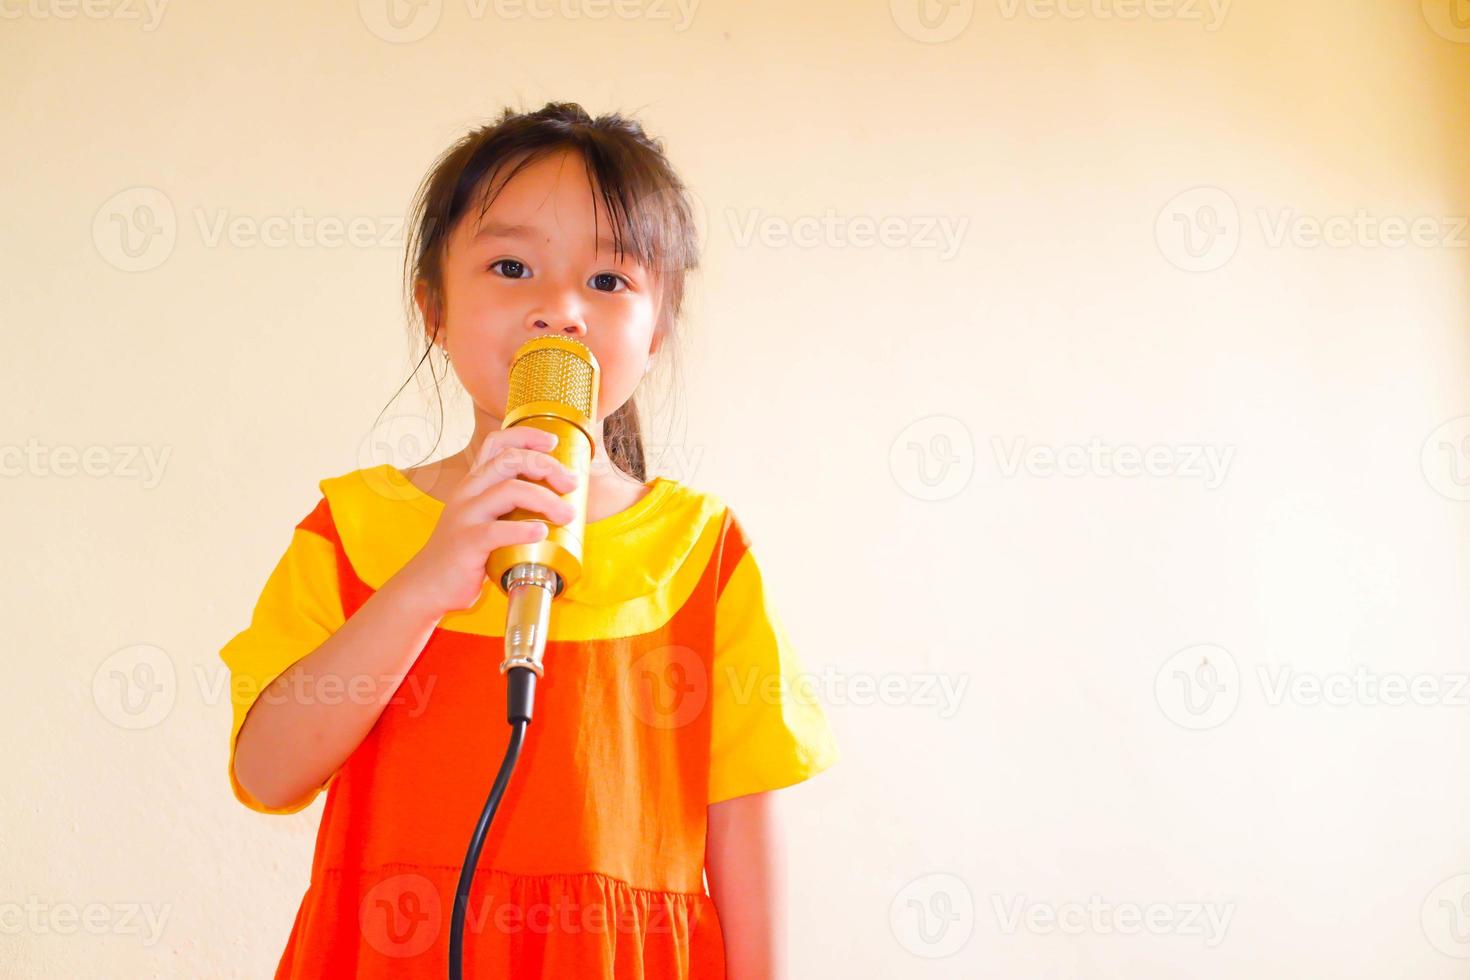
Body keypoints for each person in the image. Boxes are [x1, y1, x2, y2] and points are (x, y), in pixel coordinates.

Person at [218, 102, 839, 979]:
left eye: (609, 282)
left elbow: (744, 822)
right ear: (433, 304)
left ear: (658, 330)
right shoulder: (354, 529)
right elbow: (268, 772)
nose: (560, 311)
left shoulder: (698, 551)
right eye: (512, 267)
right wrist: (428, 578)